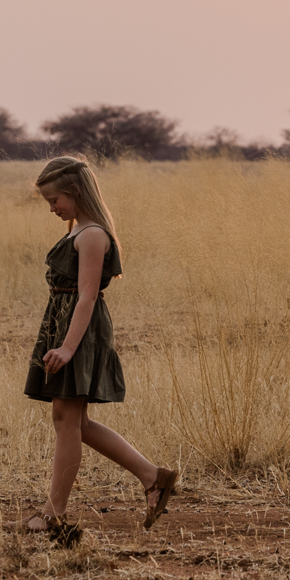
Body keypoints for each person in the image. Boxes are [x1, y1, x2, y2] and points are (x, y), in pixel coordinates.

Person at [22, 156, 177, 539]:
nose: (52, 208)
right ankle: (152, 476)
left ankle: (54, 514)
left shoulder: (92, 235)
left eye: (55, 199)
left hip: (80, 331)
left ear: (74, 192)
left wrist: (69, 348)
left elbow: (87, 298)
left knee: (67, 420)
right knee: (74, 421)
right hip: (66, 325)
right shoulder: (82, 231)